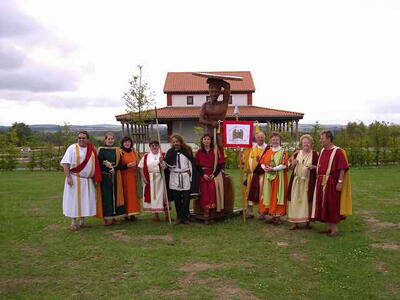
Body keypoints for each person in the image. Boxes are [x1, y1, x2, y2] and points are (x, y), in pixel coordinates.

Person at [311, 130, 352, 237]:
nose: (320, 140)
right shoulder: (323, 151)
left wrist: (340, 182)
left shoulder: (338, 151)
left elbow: (343, 168)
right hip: (321, 181)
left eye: (322, 138)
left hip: (332, 182)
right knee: (324, 204)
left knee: (332, 204)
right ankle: (329, 227)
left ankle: (335, 229)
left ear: (329, 139)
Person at [60, 131, 101, 231]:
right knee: (74, 201)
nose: (81, 139)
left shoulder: (91, 149)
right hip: (75, 179)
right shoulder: (72, 148)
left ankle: (82, 222)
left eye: (83, 138)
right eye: (79, 138)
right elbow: (66, 163)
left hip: (87, 181)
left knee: (85, 201)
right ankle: (73, 222)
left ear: (88, 139)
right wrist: (68, 177)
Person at [287, 134, 319, 230]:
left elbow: (321, 168)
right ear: (301, 143)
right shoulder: (296, 153)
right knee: (294, 200)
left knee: (307, 201)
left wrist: (314, 167)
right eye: (304, 142)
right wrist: (293, 164)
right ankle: (294, 222)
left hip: (308, 181)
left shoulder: (315, 154)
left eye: (308, 142)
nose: (306, 144)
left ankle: (307, 221)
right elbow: (290, 168)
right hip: (296, 181)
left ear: (311, 144)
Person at [96, 132, 126, 225]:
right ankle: (105, 219)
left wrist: (114, 169)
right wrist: (106, 168)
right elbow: (98, 163)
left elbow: (121, 163)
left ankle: (114, 218)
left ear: (114, 140)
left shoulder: (117, 150)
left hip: (115, 176)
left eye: (112, 139)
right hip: (105, 177)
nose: (110, 140)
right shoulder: (100, 150)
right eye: (108, 139)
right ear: (105, 140)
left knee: (115, 196)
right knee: (106, 197)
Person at [195, 134, 225, 224]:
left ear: (211, 141)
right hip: (203, 175)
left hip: (213, 174)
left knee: (213, 191)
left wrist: (214, 174)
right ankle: (206, 212)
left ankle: (212, 212)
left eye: (208, 139)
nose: (206, 141)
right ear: (202, 141)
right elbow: (197, 165)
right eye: (205, 139)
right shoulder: (199, 152)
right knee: (204, 193)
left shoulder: (215, 151)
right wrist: (203, 174)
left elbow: (220, 164)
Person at [260, 132, 289, 225]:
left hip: (279, 177)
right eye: (273, 139)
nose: (275, 141)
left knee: (277, 196)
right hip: (268, 176)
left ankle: (278, 216)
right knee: (270, 195)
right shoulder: (268, 151)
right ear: (270, 140)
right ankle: (272, 215)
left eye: (277, 139)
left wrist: (273, 169)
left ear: (280, 140)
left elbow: (285, 164)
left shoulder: (283, 151)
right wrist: (265, 168)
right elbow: (262, 161)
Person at [165, 134, 193, 225]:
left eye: (177, 141)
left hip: (185, 176)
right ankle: (179, 217)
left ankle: (185, 217)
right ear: (171, 143)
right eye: (173, 142)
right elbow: (166, 165)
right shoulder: (169, 152)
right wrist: (162, 162)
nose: (175, 143)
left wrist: (191, 172)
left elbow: (191, 162)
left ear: (180, 141)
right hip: (174, 177)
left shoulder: (187, 150)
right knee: (177, 199)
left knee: (186, 199)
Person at [138, 140, 169, 221]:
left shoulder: (163, 155)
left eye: (156, 145)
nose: (154, 147)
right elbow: (141, 167)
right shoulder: (146, 156)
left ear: (159, 146)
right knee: (153, 196)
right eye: (152, 146)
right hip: (150, 178)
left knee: (164, 196)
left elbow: (166, 167)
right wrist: (144, 177)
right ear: (150, 147)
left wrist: (162, 161)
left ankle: (167, 215)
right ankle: (156, 215)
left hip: (161, 177)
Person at [242, 130, 269, 219]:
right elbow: (244, 156)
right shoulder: (252, 147)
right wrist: (239, 150)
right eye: (258, 137)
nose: (260, 139)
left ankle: (262, 213)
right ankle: (250, 212)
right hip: (252, 175)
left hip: (263, 175)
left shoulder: (268, 148)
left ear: (265, 138)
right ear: (255, 138)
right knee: (250, 192)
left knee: (263, 193)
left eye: (262, 137)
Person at [120, 136, 140, 221]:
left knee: (133, 196)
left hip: (133, 176)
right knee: (125, 195)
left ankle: (133, 214)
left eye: (128, 142)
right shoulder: (120, 152)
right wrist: (126, 166)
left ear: (131, 143)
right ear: (122, 143)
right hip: (124, 176)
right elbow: (118, 165)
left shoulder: (134, 152)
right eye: (125, 142)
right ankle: (125, 214)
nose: (127, 143)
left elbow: (140, 162)